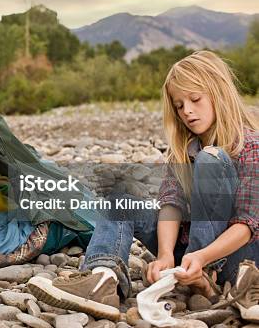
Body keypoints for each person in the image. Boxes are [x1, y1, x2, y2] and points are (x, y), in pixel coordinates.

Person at [28, 50, 259, 321]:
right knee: (119, 200)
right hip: (187, 257)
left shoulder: (250, 146)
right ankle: (102, 279)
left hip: (236, 261)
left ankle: (212, 280)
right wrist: (163, 255)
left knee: (211, 159)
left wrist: (202, 257)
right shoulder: (184, 150)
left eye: (195, 99)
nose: (187, 111)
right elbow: (170, 204)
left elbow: (247, 224)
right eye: (179, 105)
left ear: (218, 94)